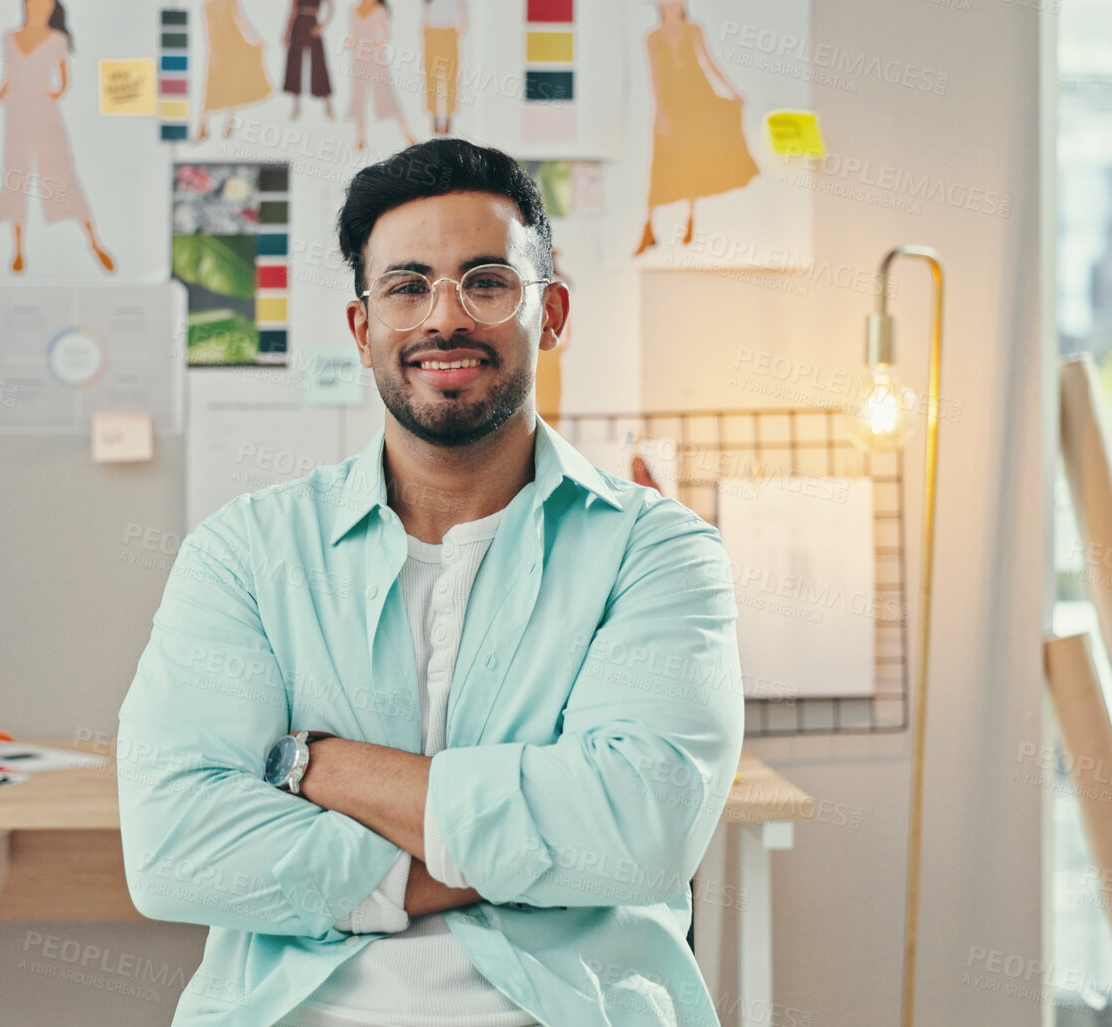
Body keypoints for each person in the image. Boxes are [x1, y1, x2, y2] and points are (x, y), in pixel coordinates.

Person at [118, 138, 745, 1026]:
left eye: (485, 281)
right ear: (362, 326)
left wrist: (315, 763)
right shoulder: (245, 552)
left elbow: (637, 834)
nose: (441, 318)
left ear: (551, 311)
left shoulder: (656, 552)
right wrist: (520, 846)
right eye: (406, 287)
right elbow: (174, 849)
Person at [0, 0, 115, 273]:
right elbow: (9, 77)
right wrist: (3, 93)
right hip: (16, 113)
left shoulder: (57, 40)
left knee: (61, 172)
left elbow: (64, 82)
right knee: (16, 176)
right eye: (33, 5)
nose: (36, 10)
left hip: (44, 113)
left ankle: (93, 241)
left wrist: (49, 96)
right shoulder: (10, 38)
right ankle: (17, 249)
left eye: (42, 6)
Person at [634, 0, 758, 254]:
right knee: (664, 162)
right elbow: (655, 76)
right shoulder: (652, 37)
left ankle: (690, 221)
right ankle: (649, 226)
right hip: (672, 104)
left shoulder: (695, 29)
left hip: (698, 100)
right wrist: (661, 112)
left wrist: (734, 91)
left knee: (693, 161)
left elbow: (709, 64)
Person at [198, 0, 274, 141]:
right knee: (213, 85)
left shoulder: (232, 2)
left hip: (235, 45)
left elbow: (242, 21)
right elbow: (209, 29)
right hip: (219, 46)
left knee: (233, 82)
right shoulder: (207, 6)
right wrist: (213, 52)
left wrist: (257, 39)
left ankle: (229, 122)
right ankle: (203, 125)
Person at [344, 0, 415, 151]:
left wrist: (376, 46)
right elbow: (353, 34)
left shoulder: (379, 10)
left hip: (375, 59)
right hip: (358, 58)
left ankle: (407, 133)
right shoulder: (353, 11)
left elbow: (386, 35)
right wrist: (351, 43)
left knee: (387, 93)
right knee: (359, 97)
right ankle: (360, 137)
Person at [282, 0, 334, 120]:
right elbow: (292, 11)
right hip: (298, 24)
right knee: (295, 63)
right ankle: (296, 106)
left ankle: (328, 104)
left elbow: (331, 9)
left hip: (313, 23)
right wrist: (287, 32)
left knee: (319, 62)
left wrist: (323, 25)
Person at [421, 0, 466, 135]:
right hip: (432, 33)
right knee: (431, 77)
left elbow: (463, 13)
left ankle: (448, 118)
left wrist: (458, 33)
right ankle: (434, 116)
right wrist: (425, 33)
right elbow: (425, 12)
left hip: (449, 33)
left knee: (451, 77)